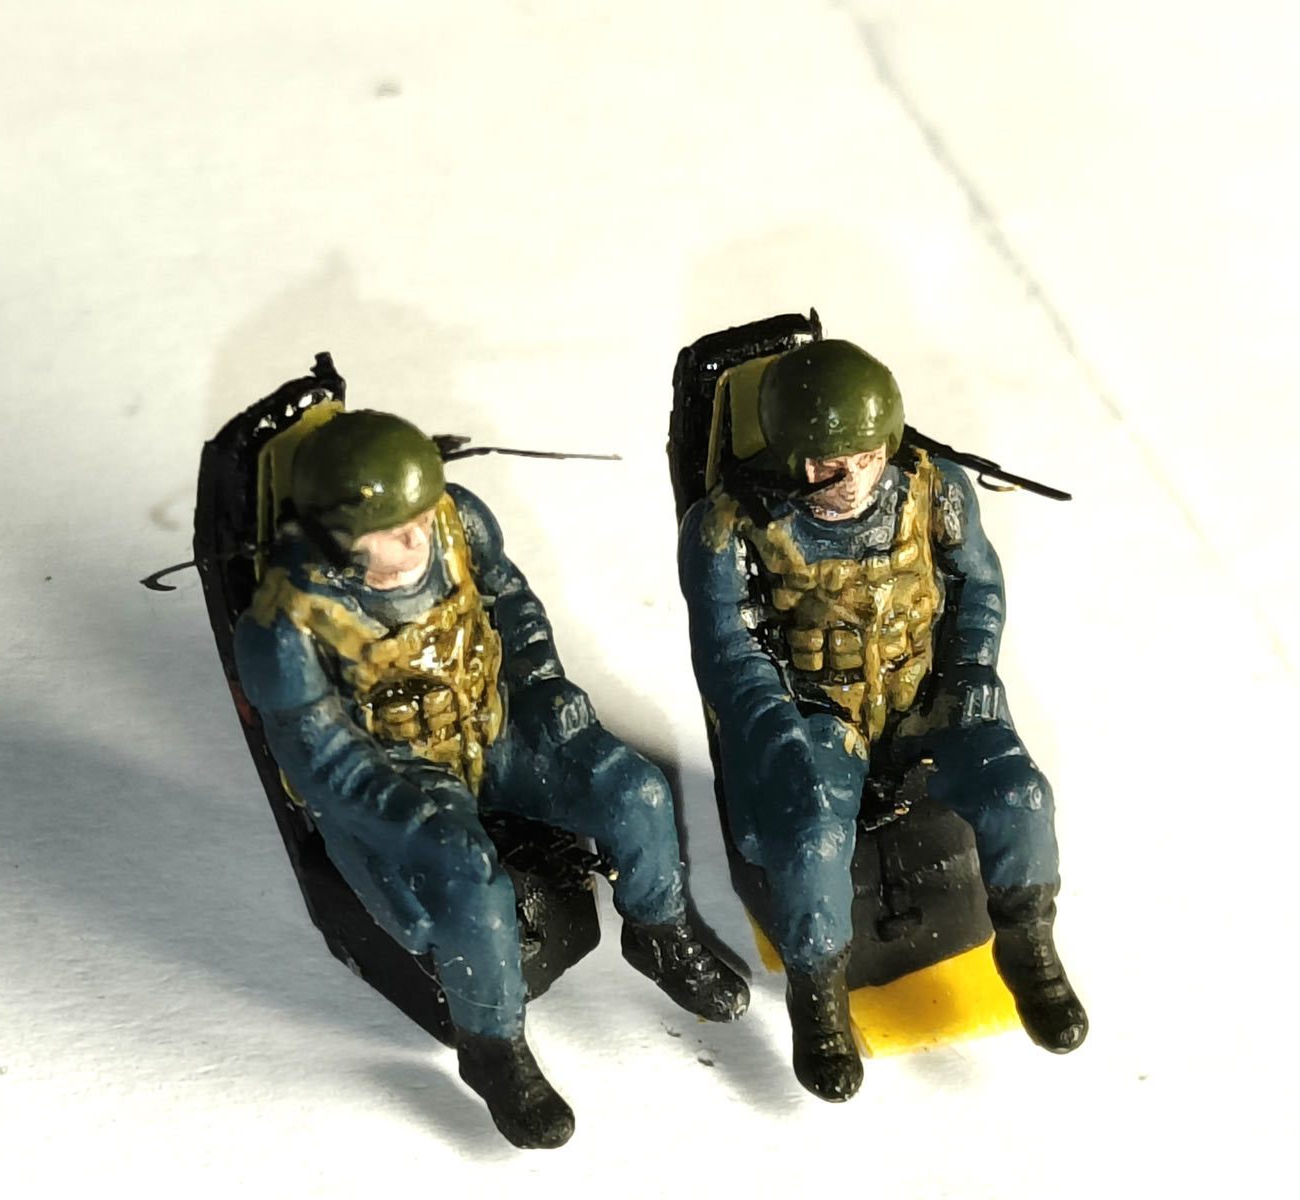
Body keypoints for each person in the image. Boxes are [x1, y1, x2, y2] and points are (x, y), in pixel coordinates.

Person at [235, 410, 748, 1149]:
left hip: (496, 728)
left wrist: (542, 689)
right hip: (394, 776)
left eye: (421, 517)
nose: (417, 540)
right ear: (334, 535)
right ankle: (492, 1045)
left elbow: (515, 609)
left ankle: (659, 930)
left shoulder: (458, 523)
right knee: (468, 881)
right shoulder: (285, 627)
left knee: (632, 789)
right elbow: (324, 764)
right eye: (392, 530)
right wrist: (412, 818)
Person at [677, 338, 1087, 1103]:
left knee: (1020, 793)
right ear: (790, 455)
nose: (850, 481)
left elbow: (977, 589)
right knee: (810, 835)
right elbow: (731, 654)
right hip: (817, 716)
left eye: (866, 459)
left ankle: (1028, 939)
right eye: (826, 465)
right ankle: (817, 993)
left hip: (927, 695)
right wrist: (776, 734)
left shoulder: (937, 491)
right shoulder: (729, 529)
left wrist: (970, 672)